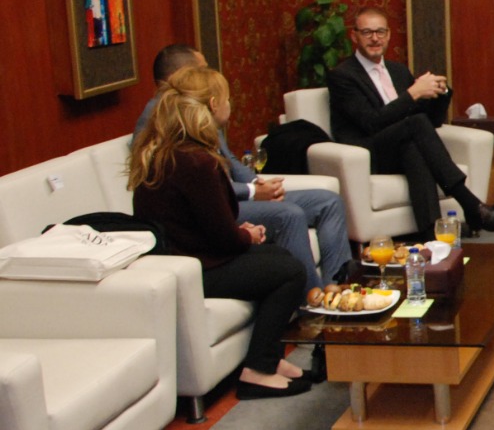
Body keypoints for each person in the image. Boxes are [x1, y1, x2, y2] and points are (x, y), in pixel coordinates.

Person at [129, 67, 313, 400]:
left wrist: (240, 231)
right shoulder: (198, 162)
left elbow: (197, 224)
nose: (231, 104)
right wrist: (246, 236)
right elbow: (223, 239)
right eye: (228, 98)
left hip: (179, 262)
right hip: (194, 270)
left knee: (278, 256)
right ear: (213, 104)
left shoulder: (165, 151)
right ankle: (257, 372)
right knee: (289, 271)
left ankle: (269, 359)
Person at [136, 44, 352, 293]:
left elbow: (229, 160)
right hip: (213, 205)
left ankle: (339, 288)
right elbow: (197, 182)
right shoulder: (161, 115)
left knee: (328, 201)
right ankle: (313, 301)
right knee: (288, 215)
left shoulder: (202, 116)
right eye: (202, 70)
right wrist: (251, 192)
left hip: (230, 195)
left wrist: (257, 184)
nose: (210, 74)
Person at [327, 7, 494, 235]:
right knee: (414, 125)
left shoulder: (397, 71)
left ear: (388, 35)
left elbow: (431, 121)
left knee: (413, 147)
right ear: (354, 36)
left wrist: (441, 93)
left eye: (380, 32)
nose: (375, 38)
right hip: (367, 152)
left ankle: (431, 234)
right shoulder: (342, 75)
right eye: (367, 32)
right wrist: (413, 93)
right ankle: (471, 204)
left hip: (400, 145)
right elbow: (370, 122)